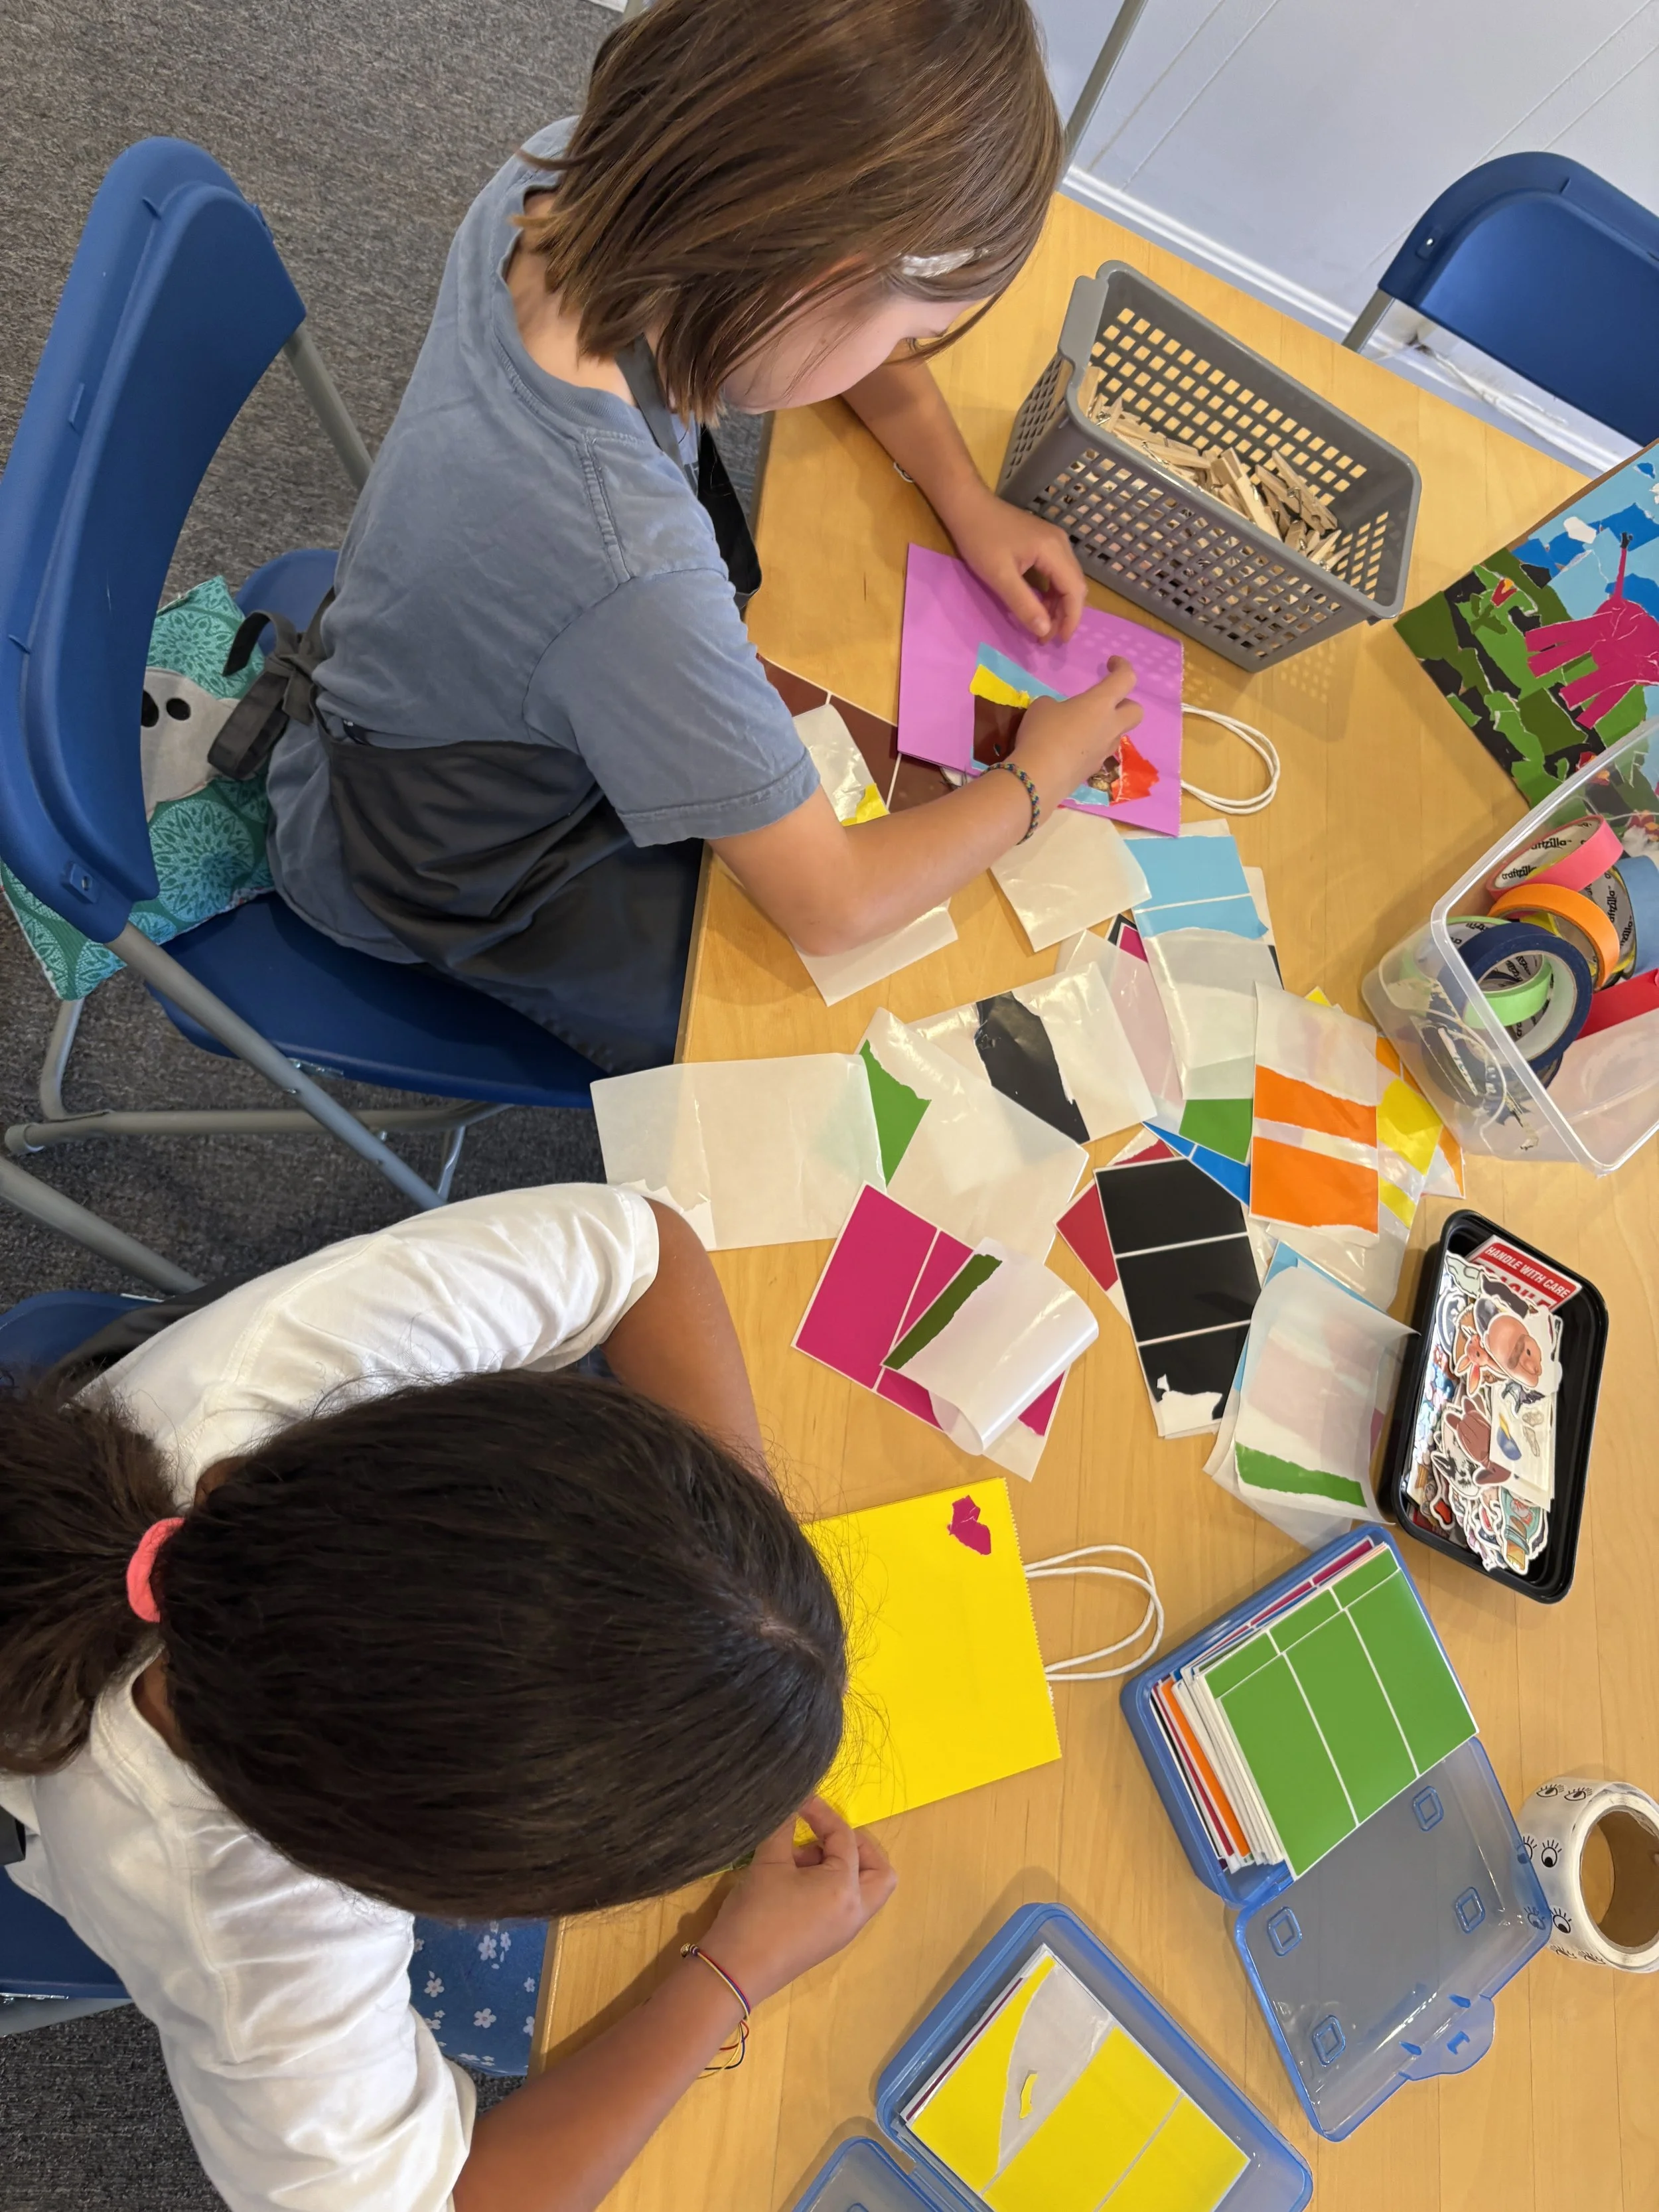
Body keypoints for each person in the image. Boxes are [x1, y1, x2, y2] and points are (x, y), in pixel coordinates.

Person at [258, 0, 1143, 1074]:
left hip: (400, 679)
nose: (897, 359)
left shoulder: (576, 175)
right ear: (810, 280)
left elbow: (834, 325)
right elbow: (836, 903)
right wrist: (1039, 778)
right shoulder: (632, 568)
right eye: (911, 332)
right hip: (423, 862)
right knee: (827, 1037)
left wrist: (966, 499)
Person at [0, 1185, 894, 2212]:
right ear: (417, 1883)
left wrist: (727, 1569)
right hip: (57, 1797)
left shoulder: (339, 1354)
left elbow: (652, 1250)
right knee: (519, 2010)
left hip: (77, 1465)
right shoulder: (249, 1940)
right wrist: (730, 1974)